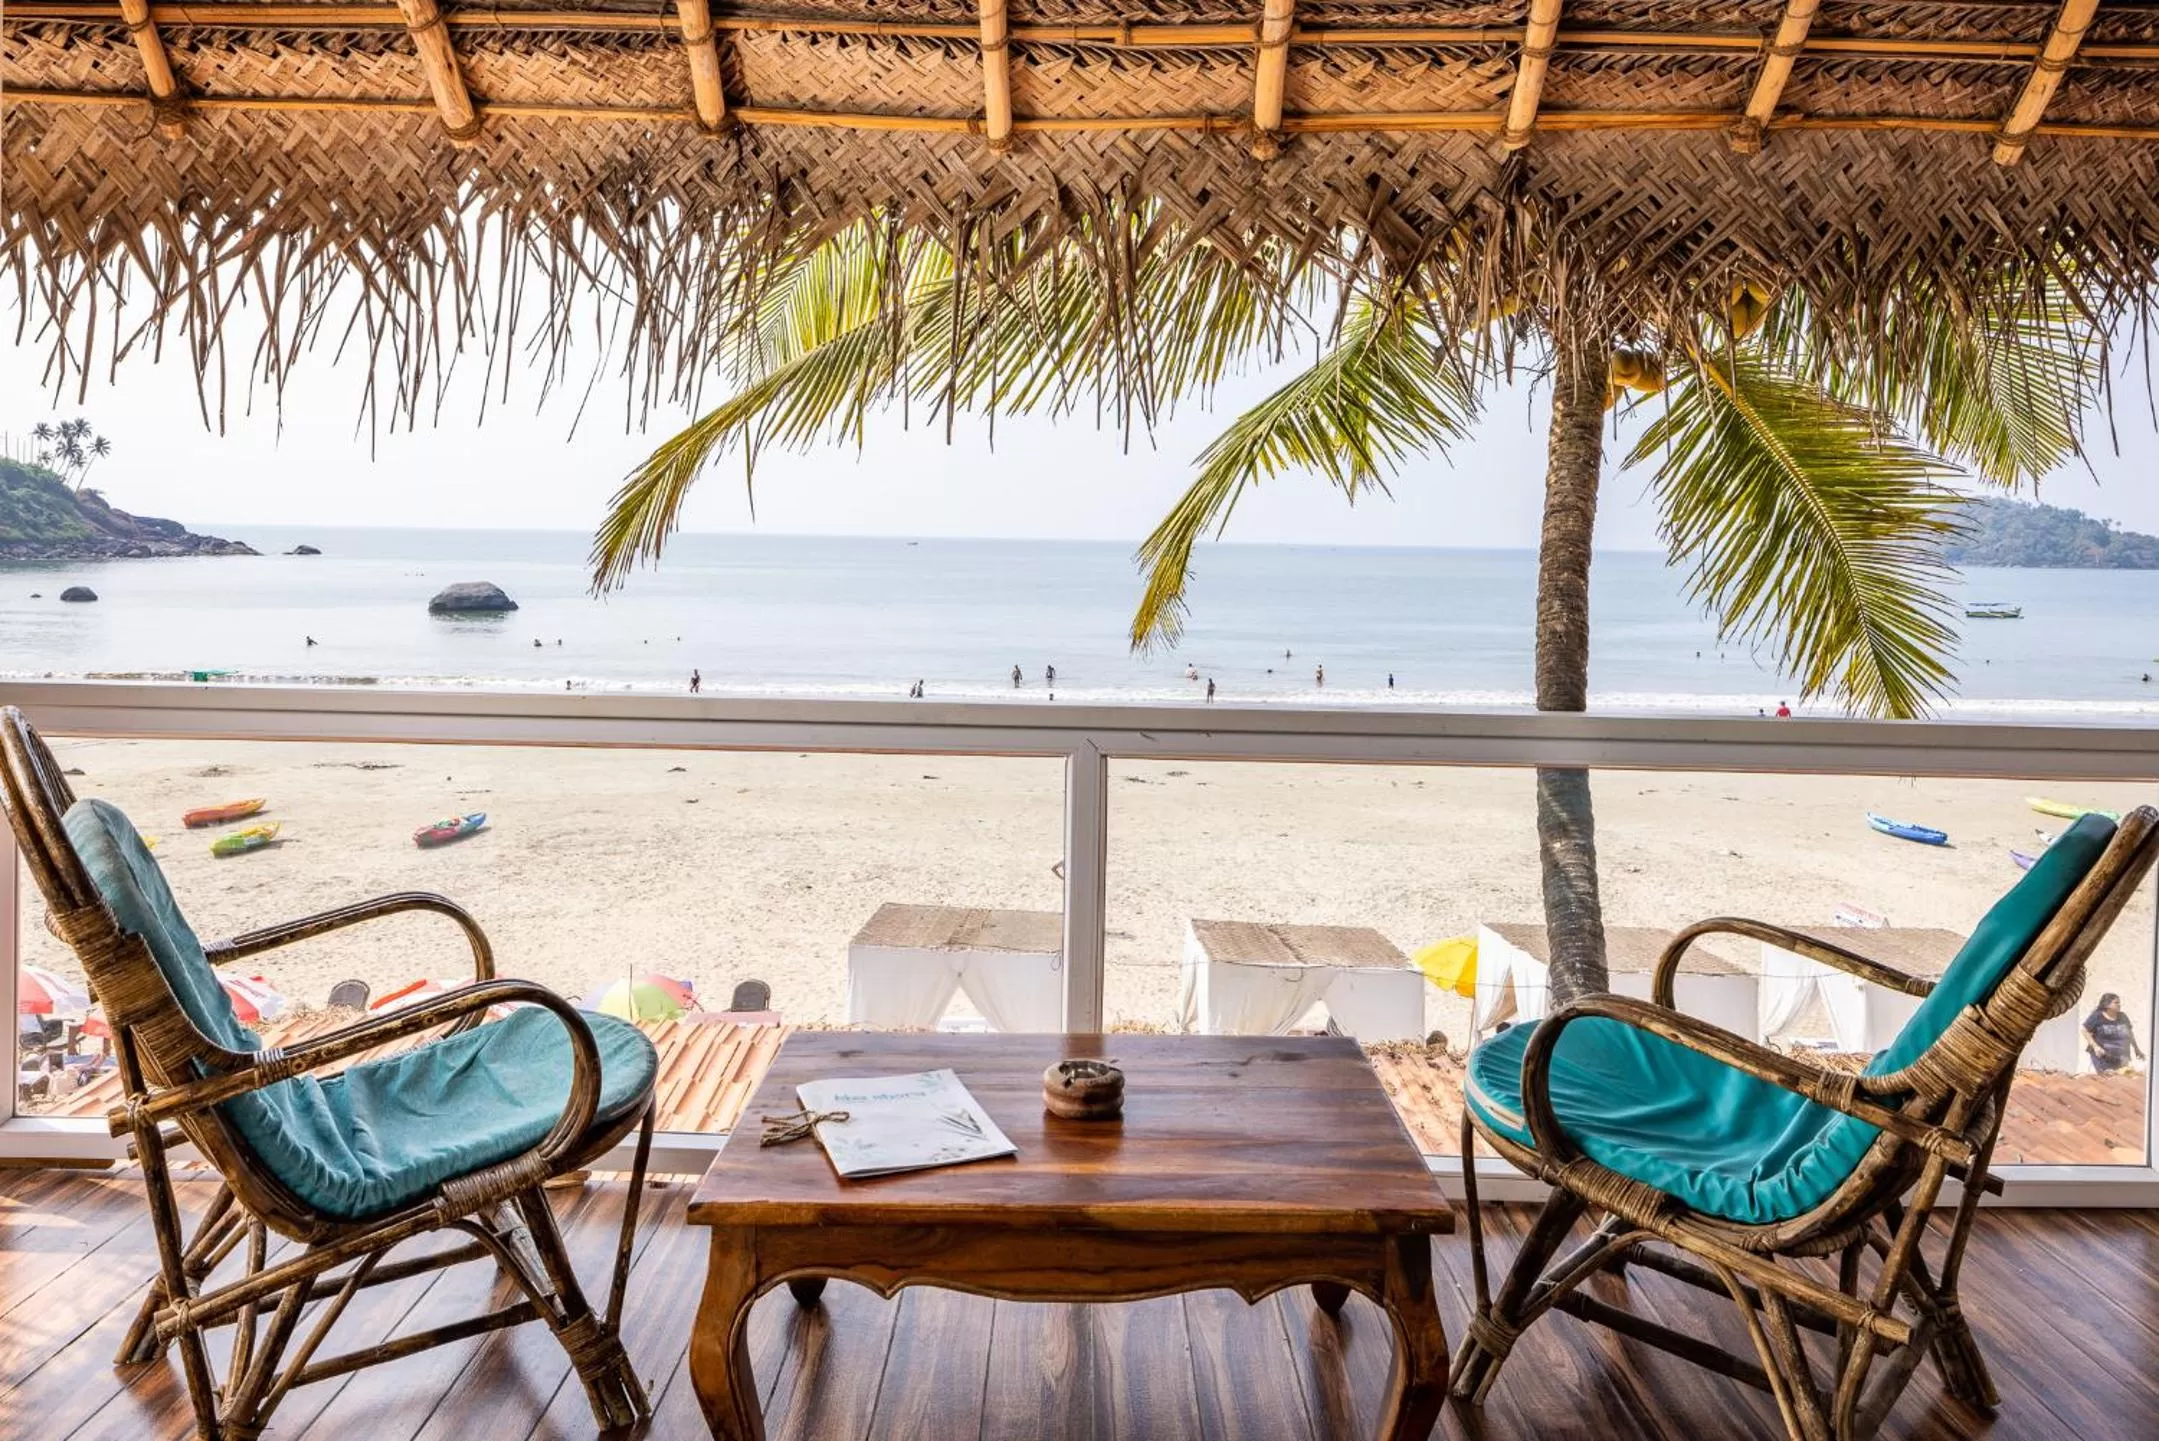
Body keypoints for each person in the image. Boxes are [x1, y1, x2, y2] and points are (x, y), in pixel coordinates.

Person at [2083, 993, 2145, 1074]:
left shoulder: (2123, 1017)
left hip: (2121, 1057)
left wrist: (2137, 1049)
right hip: (2103, 1057)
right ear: (2107, 1004)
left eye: (2119, 1002)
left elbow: (2130, 1034)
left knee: (2122, 1078)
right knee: (2108, 1079)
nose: (2119, 1005)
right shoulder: (2097, 1016)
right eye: (2116, 1003)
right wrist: (2095, 1046)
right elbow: (2085, 1030)